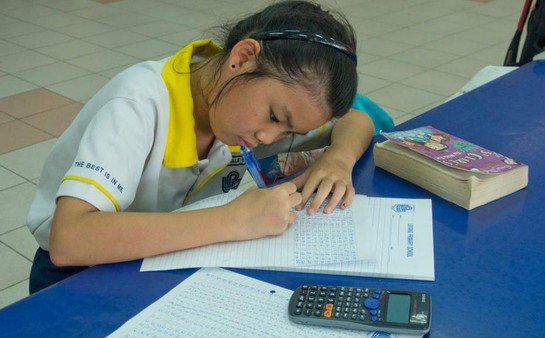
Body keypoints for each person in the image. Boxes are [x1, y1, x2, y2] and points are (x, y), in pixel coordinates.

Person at [26, 0, 375, 294]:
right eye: (273, 116)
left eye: (289, 130)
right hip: (79, 275)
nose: (270, 138)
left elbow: (358, 119)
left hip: (166, 259)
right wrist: (235, 220)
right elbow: (70, 239)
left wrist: (338, 159)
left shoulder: (250, 115)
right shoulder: (138, 104)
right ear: (243, 57)